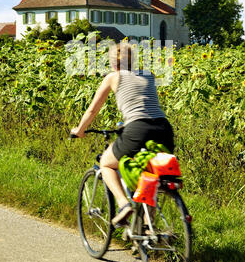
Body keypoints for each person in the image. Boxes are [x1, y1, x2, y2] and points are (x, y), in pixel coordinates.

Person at [71, 42, 174, 226]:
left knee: (106, 163)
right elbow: (145, 103)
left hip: (137, 128)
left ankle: (123, 204)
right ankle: (147, 230)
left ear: (112, 62)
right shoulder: (149, 74)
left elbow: (92, 110)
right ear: (133, 60)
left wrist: (79, 130)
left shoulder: (113, 77)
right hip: (163, 128)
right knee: (148, 175)